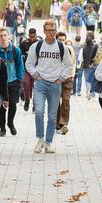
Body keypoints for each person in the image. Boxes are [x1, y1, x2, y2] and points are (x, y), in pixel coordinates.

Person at [25, 19, 73, 153]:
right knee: (39, 112)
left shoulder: (61, 46)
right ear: (44, 31)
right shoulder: (37, 46)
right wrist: (35, 75)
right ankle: (40, 139)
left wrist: (61, 78)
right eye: (49, 30)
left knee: (52, 116)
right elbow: (29, 63)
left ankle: (49, 142)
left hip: (55, 85)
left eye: (54, 30)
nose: (51, 32)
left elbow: (69, 65)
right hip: (40, 83)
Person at [0, 28, 24, 137]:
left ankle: (10, 123)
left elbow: (20, 66)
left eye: (4, 35)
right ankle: (2, 128)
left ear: (8, 36)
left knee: (13, 104)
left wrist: (19, 80)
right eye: (1, 35)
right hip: (0, 83)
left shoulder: (15, 50)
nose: (3, 37)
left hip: (14, 81)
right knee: (1, 106)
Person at [54, 31, 77, 135]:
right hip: (56, 79)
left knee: (66, 100)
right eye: (60, 40)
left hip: (67, 78)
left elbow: (73, 62)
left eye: (63, 40)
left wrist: (72, 74)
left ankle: (63, 124)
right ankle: (57, 125)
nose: (62, 42)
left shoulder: (70, 49)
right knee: (56, 102)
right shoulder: (53, 50)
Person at [19, 28, 38, 111]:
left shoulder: (39, 43)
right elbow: (20, 54)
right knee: (26, 85)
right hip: (26, 68)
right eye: (30, 36)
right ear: (28, 35)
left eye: (33, 36)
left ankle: (35, 105)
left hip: (37, 69)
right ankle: (27, 100)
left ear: (36, 35)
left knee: (36, 87)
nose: (32, 38)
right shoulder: (24, 43)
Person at [79, 30, 99, 99]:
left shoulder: (83, 47)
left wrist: (80, 65)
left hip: (86, 65)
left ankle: (88, 93)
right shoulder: (95, 46)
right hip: (94, 65)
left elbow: (80, 58)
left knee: (87, 80)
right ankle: (93, 94)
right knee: (93, 80)